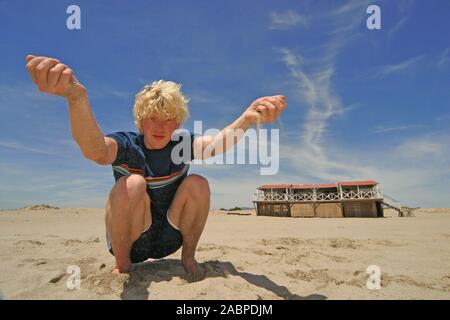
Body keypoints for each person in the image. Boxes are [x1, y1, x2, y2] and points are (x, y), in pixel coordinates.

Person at [25, 55, 287, 277]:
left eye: (168, 119)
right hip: (131, 239)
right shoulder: (128, 144)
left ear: (177, 123)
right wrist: (76, 99)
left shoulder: (180, 145)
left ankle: (188, 258)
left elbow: (217, 144)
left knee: (198, 183)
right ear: (140, 120)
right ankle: (123, 265)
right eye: (152, 118)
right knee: (133, 182)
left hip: (169, 238)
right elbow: (96, 150)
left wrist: (246, 119)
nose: (160, 126)